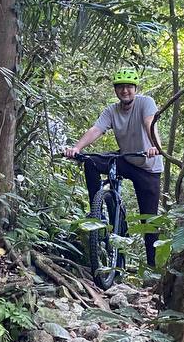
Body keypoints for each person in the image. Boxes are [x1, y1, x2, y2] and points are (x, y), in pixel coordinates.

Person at [62, 68, 163, 267]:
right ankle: (97, 211)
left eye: (129, 87)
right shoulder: (112, 110)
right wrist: (76, 148)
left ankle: (153, 271)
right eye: (120, 87)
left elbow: (149, 123)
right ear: (116, 90)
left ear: (135, 88)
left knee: (149, 223)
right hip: (126, 159)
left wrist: (155, 147)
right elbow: (96, 129)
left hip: (148, 167)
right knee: (90, 161)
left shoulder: (146, 103)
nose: (125, 91)